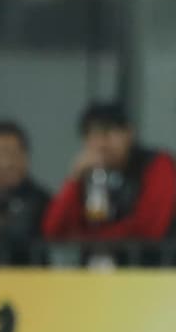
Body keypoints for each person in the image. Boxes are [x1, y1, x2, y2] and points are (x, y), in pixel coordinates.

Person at [41, 102, 176, 252]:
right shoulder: (89, 175)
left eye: (108, 133)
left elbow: (149, 229)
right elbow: (54, 231)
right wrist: (73, 179)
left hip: (149, 270)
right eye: (92, 135)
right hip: (96, 271)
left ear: (129, 133)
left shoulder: (156, 164)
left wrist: (91, 239)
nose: (101, 144)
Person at [0, 120, 50, 266]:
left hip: (30, 280)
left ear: (25, 158)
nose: (5, 163)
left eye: (12, 154)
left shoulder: (40, 199)